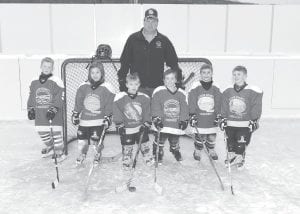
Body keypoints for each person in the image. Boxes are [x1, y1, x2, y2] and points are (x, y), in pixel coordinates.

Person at [118, 8, 183, 97]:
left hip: (157, 88)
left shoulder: (164, 40)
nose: (150, 24)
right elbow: (124, 62)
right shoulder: (133, 39)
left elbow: (173, 63)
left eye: (153, 21)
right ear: (144, 21)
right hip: (137, 87)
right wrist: (122, 83)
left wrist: (178, 81)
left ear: (157, 22)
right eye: (148, 20)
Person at [71, 61, 115, 166]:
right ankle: (82, 154)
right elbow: (79, 102)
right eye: (92, 73)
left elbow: (109, 104)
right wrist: (76, 113)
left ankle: (97, 154)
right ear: (89, 74)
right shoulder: (83, 86)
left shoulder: (107, 88)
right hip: (84, 121)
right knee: (82, 140)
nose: (95, 75)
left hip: (98, 121)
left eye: (97, 72)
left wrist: (108, 117)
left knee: (96, 141)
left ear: (102, 73)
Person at [219, 65, 263, 169]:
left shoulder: (252, 91)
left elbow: (256, 106)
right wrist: (223, 118)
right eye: (234, 74)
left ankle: (239, 157)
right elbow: (224, 105)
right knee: (230, 143)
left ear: (245, 76)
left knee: (241, 142)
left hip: (244, 124)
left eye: (239, 74)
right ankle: (231, 156)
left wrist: (254, 120)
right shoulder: (228, 90)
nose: (236, 76)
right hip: (230, 123)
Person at [27, 57, 65, 162]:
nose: (46, 68)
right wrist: (30, 108)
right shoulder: (34, 81)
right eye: (44, 66)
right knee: (42, 133)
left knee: (56, 133)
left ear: (52, 68)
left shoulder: (56, 80)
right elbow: (31, 96)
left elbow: (60, 95)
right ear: (41, 66)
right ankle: (51, 147)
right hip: (40, 113)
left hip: (53, 113)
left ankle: (59, 152)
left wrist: (54, 109)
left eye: (49, 67)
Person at [113, 73, 153, 170]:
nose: (133, 87)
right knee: (127, 146)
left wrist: (146, 123)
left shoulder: (144, 98)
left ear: (139, 84)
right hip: (127, 129)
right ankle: (127, 159)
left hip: (139, 127)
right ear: (126, 85)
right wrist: (119, 124)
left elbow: (147, 111)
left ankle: (147, 157)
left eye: (136, 84)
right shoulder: (120, 97)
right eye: (131, 84)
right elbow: (117, 111)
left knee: (144, 143)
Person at [151, 69, 189, 164]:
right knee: (160, 140)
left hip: (175, 124)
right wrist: (157, 118)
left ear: (176, 80)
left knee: (174, 140)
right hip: (162, 124)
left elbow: (184, 108)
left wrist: (184, 120)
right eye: (167, 78)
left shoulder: (182, 93)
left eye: (172, 78)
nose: (169, 81)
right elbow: (155, 105)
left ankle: (174, 149)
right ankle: (157, 153)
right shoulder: (159, 91)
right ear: (163, 80)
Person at [188, 63, 222, 161]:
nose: (206, 75)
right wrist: (192, 114)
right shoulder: (195, 86)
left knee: (212, 136)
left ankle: (211, 149)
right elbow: (192, 100)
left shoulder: (216, 86)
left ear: (212, 74)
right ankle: (197, 150)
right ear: (200, 74)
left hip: (211, 117)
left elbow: (219, 101)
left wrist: (219, 115)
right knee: (200, 136)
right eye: (203, 73)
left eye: (208, 72)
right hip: (199, 117)